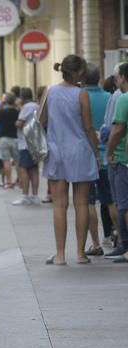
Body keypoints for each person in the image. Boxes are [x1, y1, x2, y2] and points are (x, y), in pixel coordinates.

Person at [39, 55, 100, 265]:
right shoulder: (81, 94)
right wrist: (97, 153)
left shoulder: (50, 91)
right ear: (80, 72)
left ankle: (60, 254)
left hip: (56, 151)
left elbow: (42, 120)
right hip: (80, 151)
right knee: (81, 203)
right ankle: (81, 254)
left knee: (59, 205)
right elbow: (88, 126)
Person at [82, 65, 113, 253]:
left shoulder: (80, 97)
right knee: (111, 200)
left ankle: (96, 244)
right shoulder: (110, 97)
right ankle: (119, 237)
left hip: (87, 156)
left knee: (89, 201)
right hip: (108, 154)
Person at [104, 62, 128, 262]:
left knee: (123, 204)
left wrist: (109, 152)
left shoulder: (123, 99)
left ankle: (126, 246)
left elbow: (118, 129)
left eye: (116, 77)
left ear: (122, 78)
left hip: (123, 159)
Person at [13, 88, 42, 206]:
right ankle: (34, 195)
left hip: (25, 143)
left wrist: (16, 123)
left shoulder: (27, 107)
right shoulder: (37, 106)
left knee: (23, 169)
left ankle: (25, 195)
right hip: (35, 142)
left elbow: (20, 123)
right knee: (34, 170)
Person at [0, 93, 20, 189]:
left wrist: (0, 106)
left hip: (4, 138)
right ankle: (19, 180)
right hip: (16, 138)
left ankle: (9, 181)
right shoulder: (17, 112)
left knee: (6, 161)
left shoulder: (2, 112)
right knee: (17, 161)